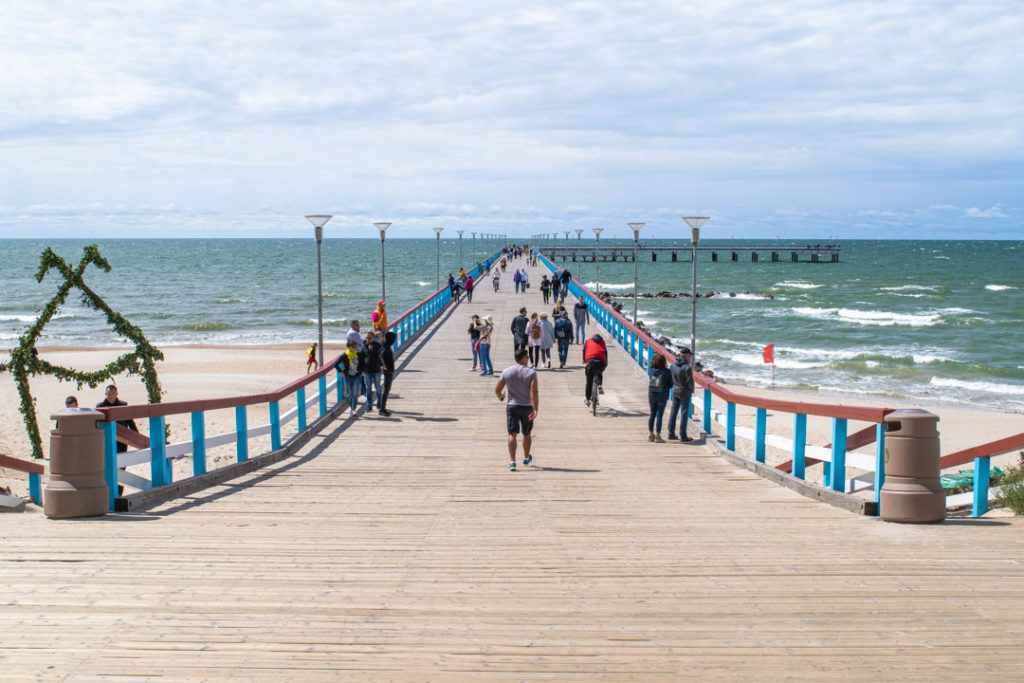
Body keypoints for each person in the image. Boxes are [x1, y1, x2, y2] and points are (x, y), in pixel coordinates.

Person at [495, 348, 539, 471]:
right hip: (527, 407)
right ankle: (525, 458)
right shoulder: (531, 373)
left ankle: (513, 461)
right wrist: (536, 408)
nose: (528, 359)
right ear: (524, 358)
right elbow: (534, 391)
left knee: (512, 434)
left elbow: (497, 389)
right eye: (528, 357)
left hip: (512, 406)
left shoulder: (507, 372)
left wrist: (501, 397)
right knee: (527, 433)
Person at [96, 385, 139, 453]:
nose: (111, 396)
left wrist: (136, 434)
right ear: (105, 394)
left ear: (116, 394)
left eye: (113, 394)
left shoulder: (123, 405)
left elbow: (130, 421)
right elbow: (97, 423)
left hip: (122, 437)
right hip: (107, 437)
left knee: (122, 459)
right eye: (108, 394)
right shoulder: (100, 406)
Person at [668, 348, 695, 441]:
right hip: (685, 392)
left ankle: (671, 433)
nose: (690, 357)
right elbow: (690, 382)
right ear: (686, 356)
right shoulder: (687, 367)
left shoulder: (673, 365)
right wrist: (691, 389)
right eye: (690, 355)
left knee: (673, 412)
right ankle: (683, 435)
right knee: (684, 413)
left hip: (675, 390)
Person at [335, 340, 366, 416]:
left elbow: (364, 363)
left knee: (355, 393)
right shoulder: (345, 355)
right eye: (353, 347)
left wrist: (363, 371)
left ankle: (353, 409)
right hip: (347, 376)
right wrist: (341, 372)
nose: (355, 348)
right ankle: (351, 406)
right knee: (349, 394)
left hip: (356, 376)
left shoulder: (358, 354)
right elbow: (335, 364)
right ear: (349, 347)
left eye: (356, 347)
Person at [647, 353, 672, 442]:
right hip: (663, 395)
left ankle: (650, 435)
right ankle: (658, 435)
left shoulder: (651, 370)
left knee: (652, 414)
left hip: (652, 394)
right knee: (659, 415)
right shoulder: (667, 372)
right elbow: (671, 384)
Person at [583, 334, 607, 406]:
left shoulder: (588, 341)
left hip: (591, 362)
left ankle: (587, 400)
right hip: (601, 362)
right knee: (599, 372)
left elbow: (584, 350)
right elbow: (605, 353)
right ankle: (599, 385)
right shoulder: (603, 342)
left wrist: (584, 360)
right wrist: (605, 362)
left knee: (589, 382)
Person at [363, 331, 384, 412]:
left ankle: (379, 403)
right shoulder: (364, 346)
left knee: (378, 387)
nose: (367, 339)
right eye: (366, 337)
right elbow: (362, 357)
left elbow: (380, 356)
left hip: (376, 370)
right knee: (368, 389)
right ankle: (369, 405)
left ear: (374, 338)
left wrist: (383, 365)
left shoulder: (378, 346)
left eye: (369, 338)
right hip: (367, 371)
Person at [378, 330, 397, 416]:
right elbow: (381, 356)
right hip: (388, 371)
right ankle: (382, 409)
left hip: (388, 370)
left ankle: (382, 407)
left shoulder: (386, 345)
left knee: (386, 389)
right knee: (386, 389)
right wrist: (384, 366)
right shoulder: (386, 348)